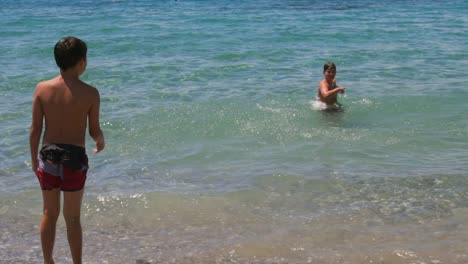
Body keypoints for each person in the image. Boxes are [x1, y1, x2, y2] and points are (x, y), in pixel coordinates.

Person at [29, 36, 105, 264]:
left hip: (48, 157)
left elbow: (35, 130)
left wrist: (34, 161)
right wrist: (100, 140)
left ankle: (48, 261)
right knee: (72, 218)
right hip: (74, 160)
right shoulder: (90, 93)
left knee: (49, 214)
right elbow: (93, 130)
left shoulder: (42, 89)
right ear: (82, 62)